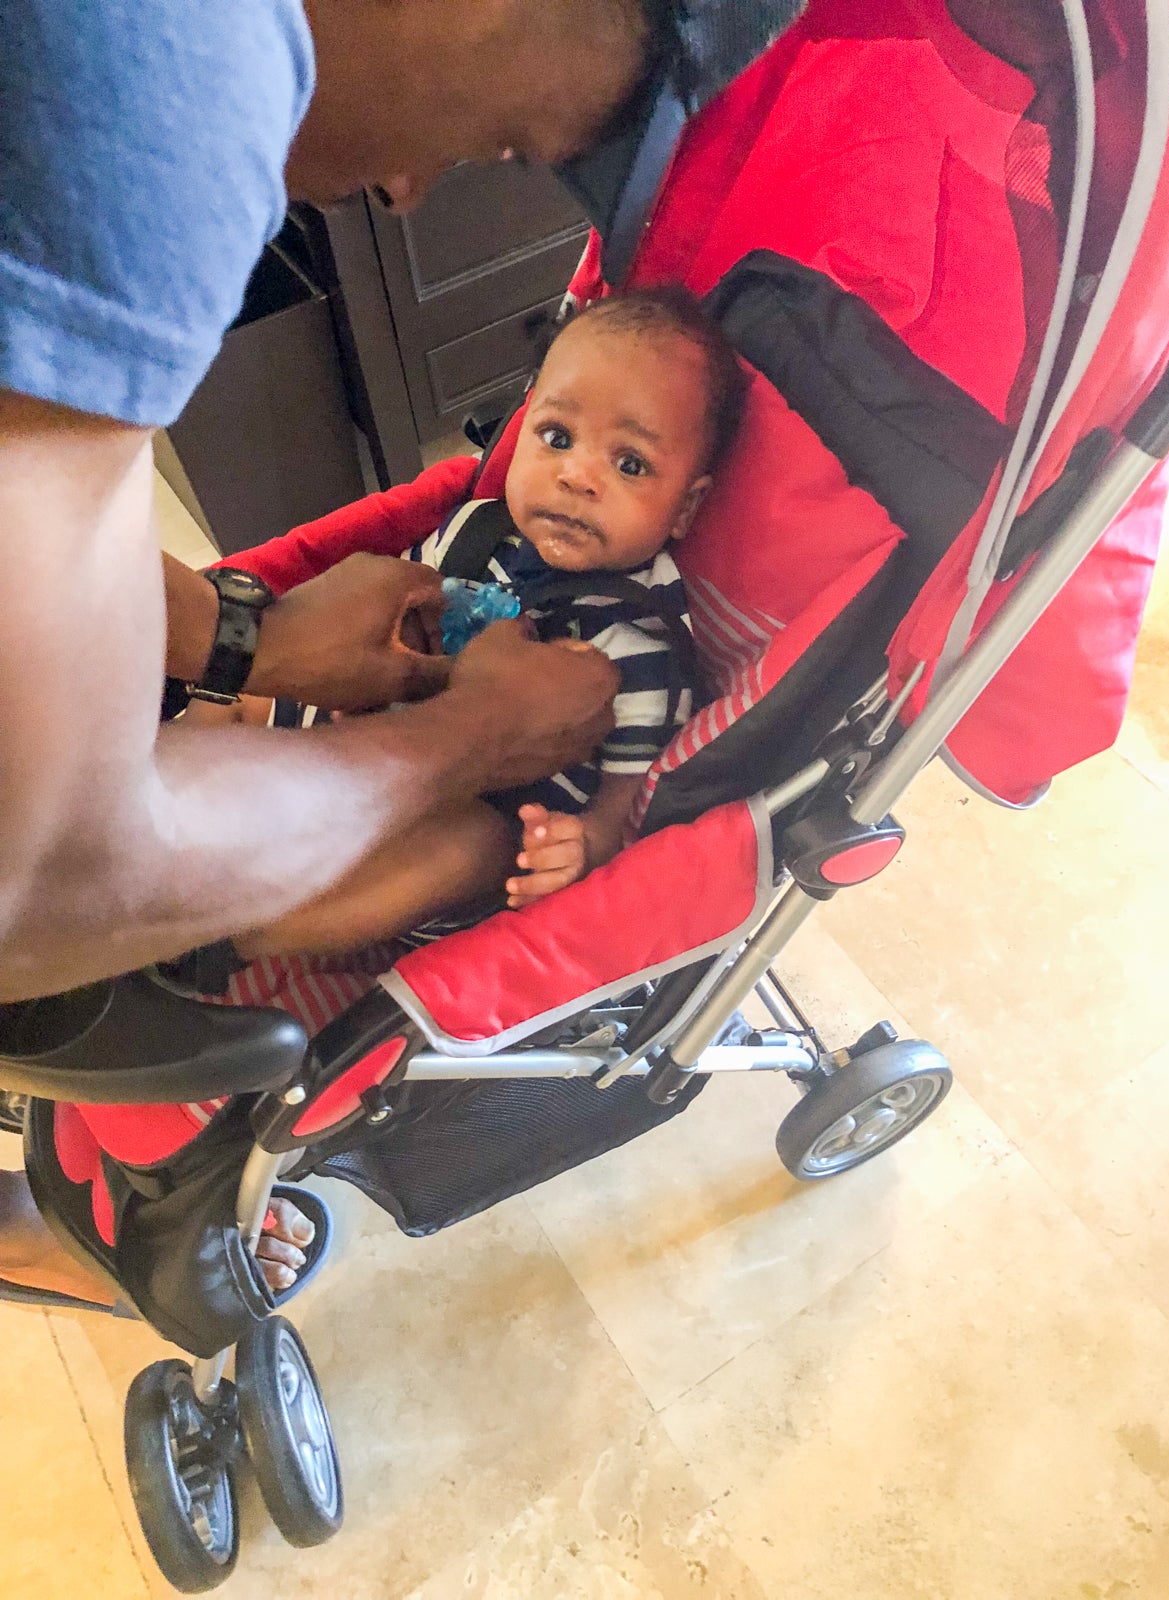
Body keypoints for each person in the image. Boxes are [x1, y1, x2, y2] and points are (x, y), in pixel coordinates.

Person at [0, 0, 667, 1301]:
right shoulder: (164, 74)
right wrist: (458, 735)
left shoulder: (652, 626)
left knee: (464, 839)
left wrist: (256, 639)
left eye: (631, 462)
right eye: (503, 143)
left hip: (488, 799)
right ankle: (211, 948)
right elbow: (34, 887)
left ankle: (224, 929)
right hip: (385, 764)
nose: (412, 187)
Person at [232, 287, 750, 959]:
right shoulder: (474, 531)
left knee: (472, 844)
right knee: (246, 681)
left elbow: (628, 803)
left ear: (686, 507)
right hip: (352, 747)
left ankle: (229, 944)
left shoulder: (641, 647)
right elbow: (393, 627)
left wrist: (583, 843)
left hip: (466, 823)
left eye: (629, 464)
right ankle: (128, 808)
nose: (576, 476)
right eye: (557, 438)